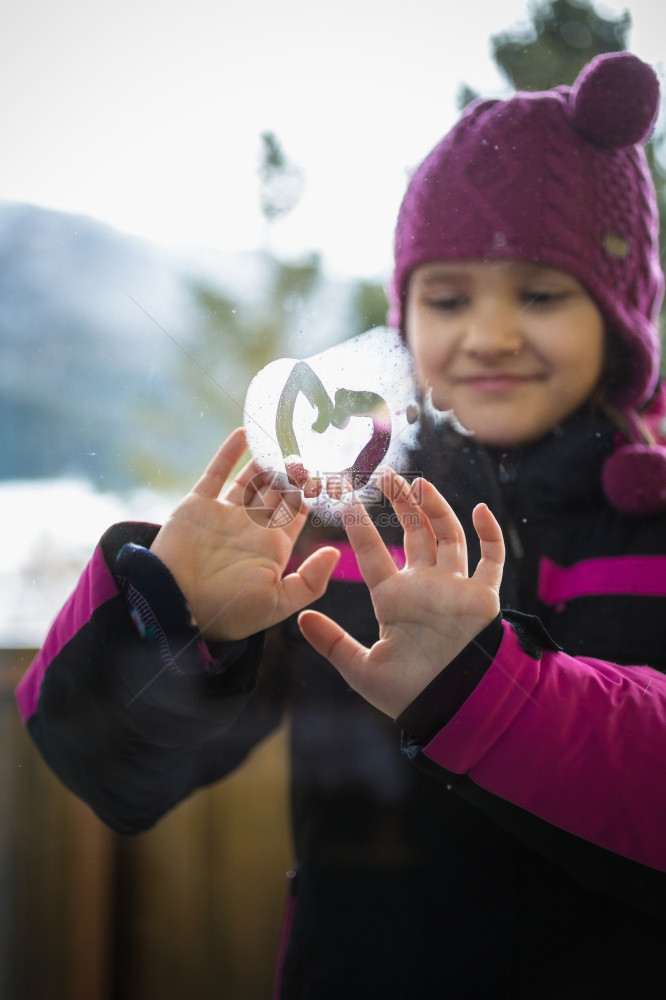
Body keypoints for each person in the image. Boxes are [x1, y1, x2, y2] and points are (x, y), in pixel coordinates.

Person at [16, 51, 666, 998]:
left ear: (621, 319)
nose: (487, 333)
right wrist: (169, 621)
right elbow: (110, 774)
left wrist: (484, 691)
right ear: (404, 317)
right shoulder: (337, 523)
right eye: (447, 297)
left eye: (539, 293)